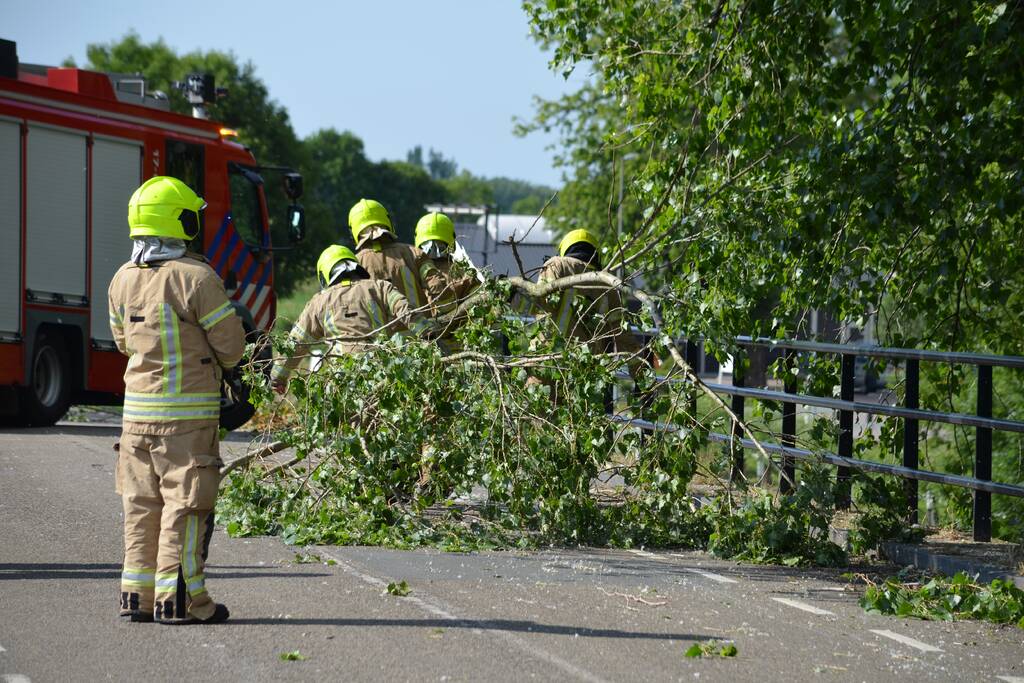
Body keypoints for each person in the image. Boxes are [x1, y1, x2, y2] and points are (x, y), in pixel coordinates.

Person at [108, 176, 245, 624]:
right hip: (185, 423)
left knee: (141, 506)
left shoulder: (121, 279)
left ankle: (137, 597)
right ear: (180, 222)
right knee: (186, 507)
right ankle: (183, 601)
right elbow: (231, 347)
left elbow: (123, 342)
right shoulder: (197, 278)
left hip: (135, 421)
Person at [270, 245, 430, 392]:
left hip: (341, 379)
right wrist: (428, 332)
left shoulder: (318, 302)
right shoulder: (380, 287)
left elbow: (295, 343)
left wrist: (278, 377)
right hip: (380, 374)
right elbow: (406, 311)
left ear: (325, 274)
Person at [414, 212, 481, 350]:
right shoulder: (466, 274)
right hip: (458, 352)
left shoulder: (410, 272)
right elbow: (479, 310)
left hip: (419, 349)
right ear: (452, 239)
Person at [348, 199, 427, 312]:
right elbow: (437, 288)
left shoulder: (354, 265)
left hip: (380, 330)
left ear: (354, 230)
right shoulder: (414, 253)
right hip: (421, 327)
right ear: (387, 221)